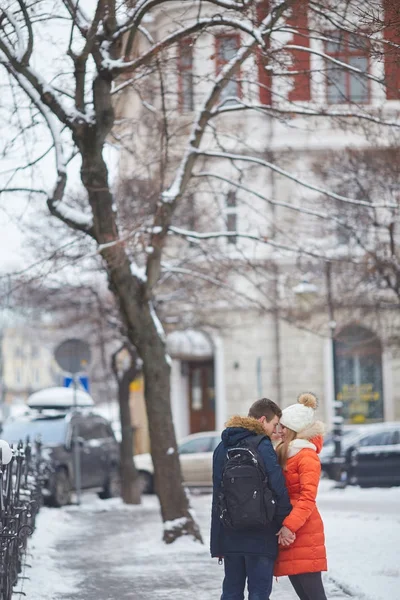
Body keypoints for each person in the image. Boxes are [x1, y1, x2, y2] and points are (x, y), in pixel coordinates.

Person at [210, 398, 293, 600]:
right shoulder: (262, 445)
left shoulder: (222, 447)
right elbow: (278, 487)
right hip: (262, 535)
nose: (276, 431)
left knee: (231, 593)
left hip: (230, 536)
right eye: (274, 425)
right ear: (263, 419)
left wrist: (217, 543)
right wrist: (285, 523)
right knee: (258, 594)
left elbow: (217, 496)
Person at [274, 392, 328, 600]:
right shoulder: (287, 452)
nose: (280, 431)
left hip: (302, 531)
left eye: (284, 427)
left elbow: (307, 498)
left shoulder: (306, 456)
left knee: (313, 595)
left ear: (294, 429)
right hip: (294, 530)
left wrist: (289, 527)